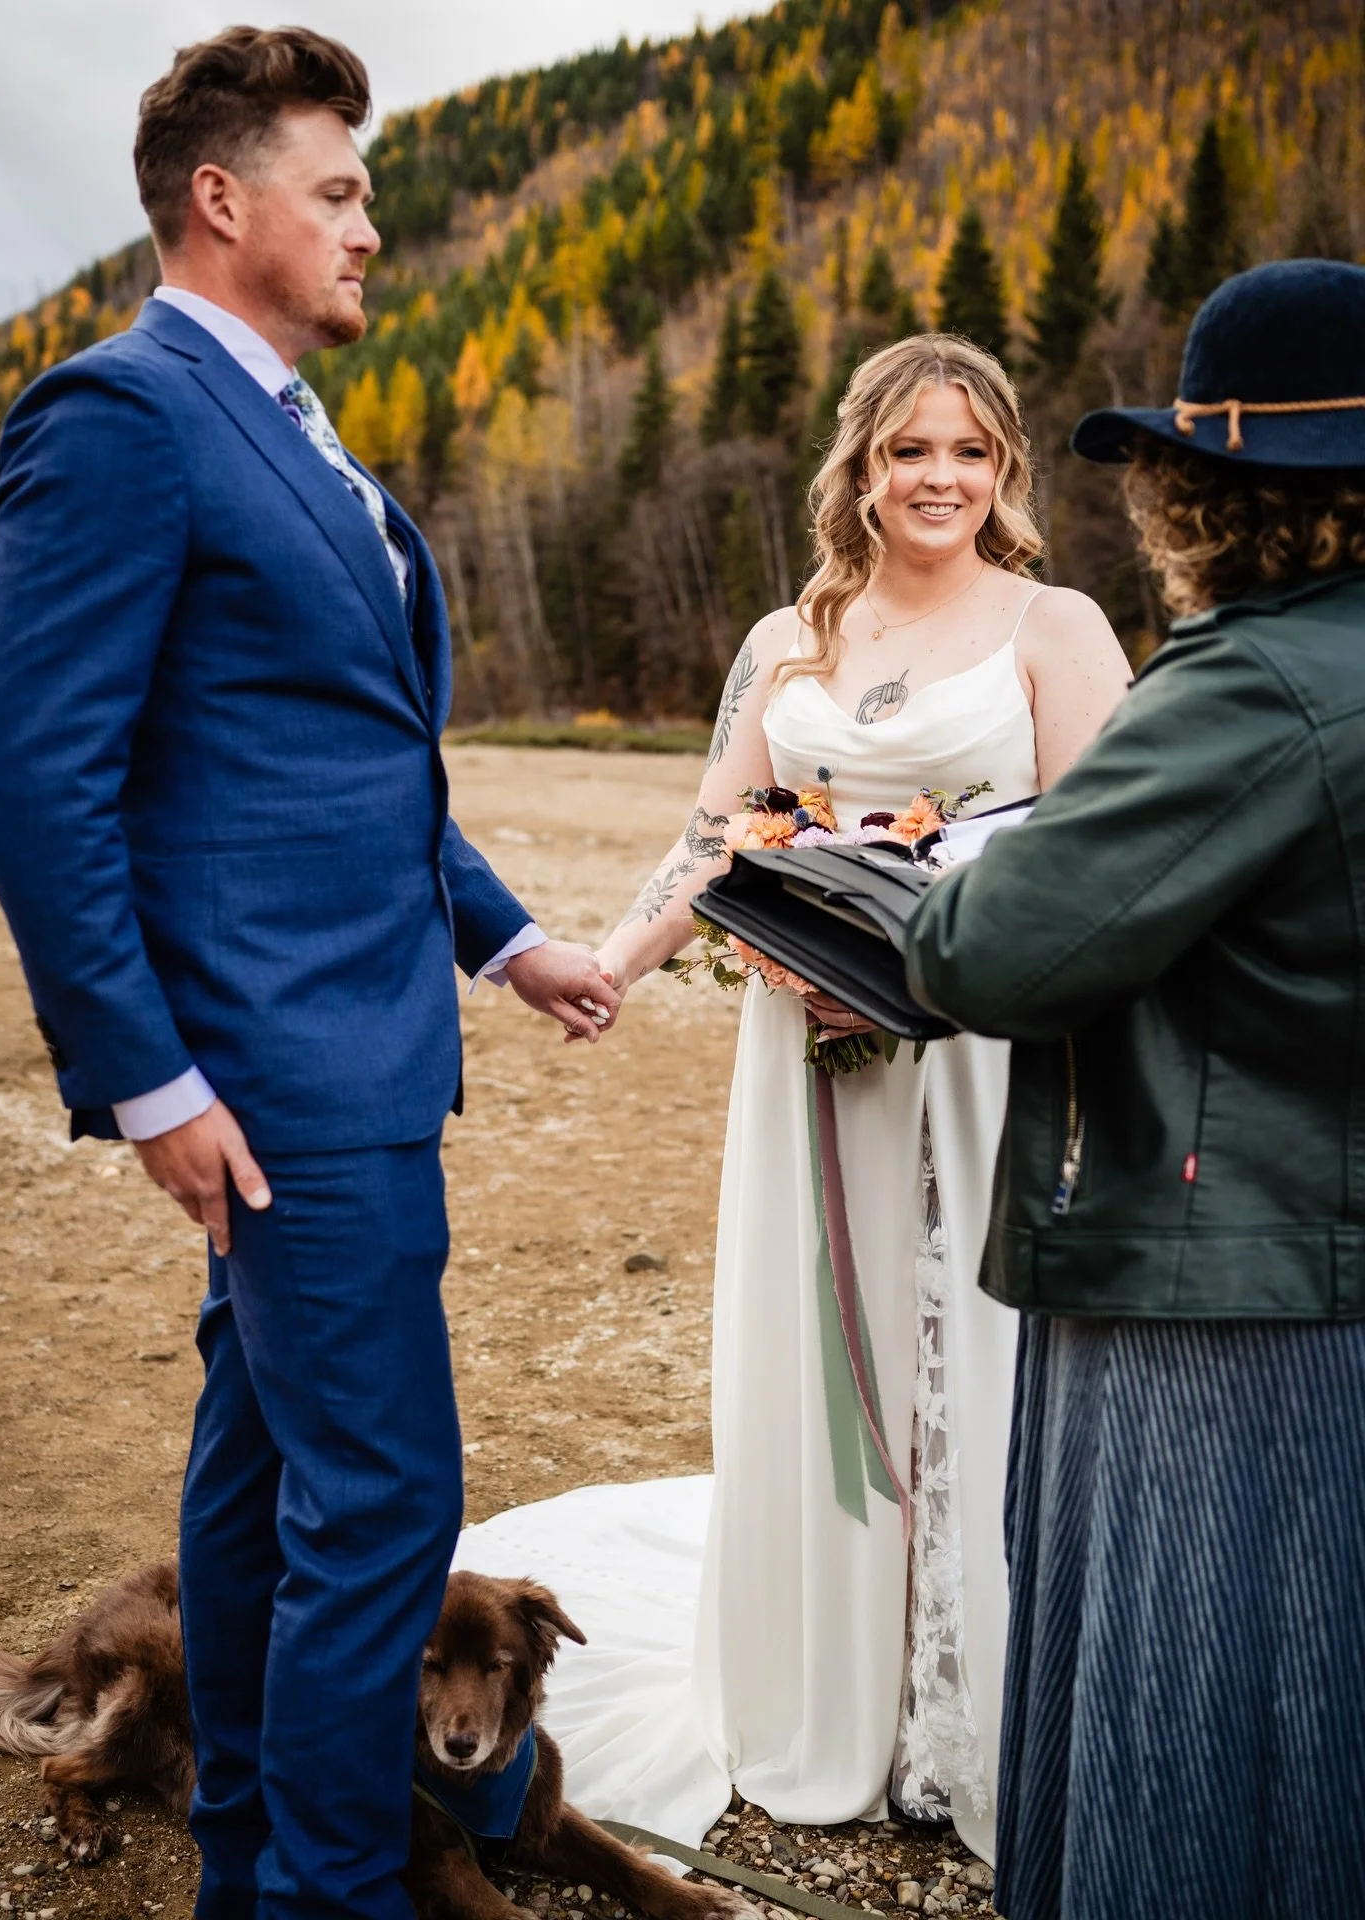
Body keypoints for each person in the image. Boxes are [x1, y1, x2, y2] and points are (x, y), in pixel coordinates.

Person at [0, 29, 618, 1920]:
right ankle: (334, 1894)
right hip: (277, 1079)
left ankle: (253, 1860)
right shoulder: (121, 415)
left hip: (361, 1051)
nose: (371, 229)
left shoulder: (297, 429)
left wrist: (505, 938)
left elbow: (348, 760)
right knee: (387, 1508)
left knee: (257, 1498)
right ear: (220, 200)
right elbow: (33, 769)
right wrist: (149, 1075)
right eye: (338, 192)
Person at [455, 334, 1129, 1864]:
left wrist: (944, 955)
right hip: (808, 1056)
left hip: (971, 1049)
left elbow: (1103, 852)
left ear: (1006, 467)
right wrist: (613, 963)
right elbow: (717, 839)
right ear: (863, 469)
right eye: (909, 452)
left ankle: (974, 1705)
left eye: (968, 451)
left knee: (967, 1345)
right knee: (828, 1346)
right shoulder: (789, 638)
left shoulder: (1055, 624)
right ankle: (831, 1683)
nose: (938, 479)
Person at [904, 258, 1365, 1916]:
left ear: (1205, 488)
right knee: (1323, 1707)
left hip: (1213, 1279)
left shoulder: (1255, 682)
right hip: (1333, 1252)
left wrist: (963, 879)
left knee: (1184, 1707)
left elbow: (989, 951)